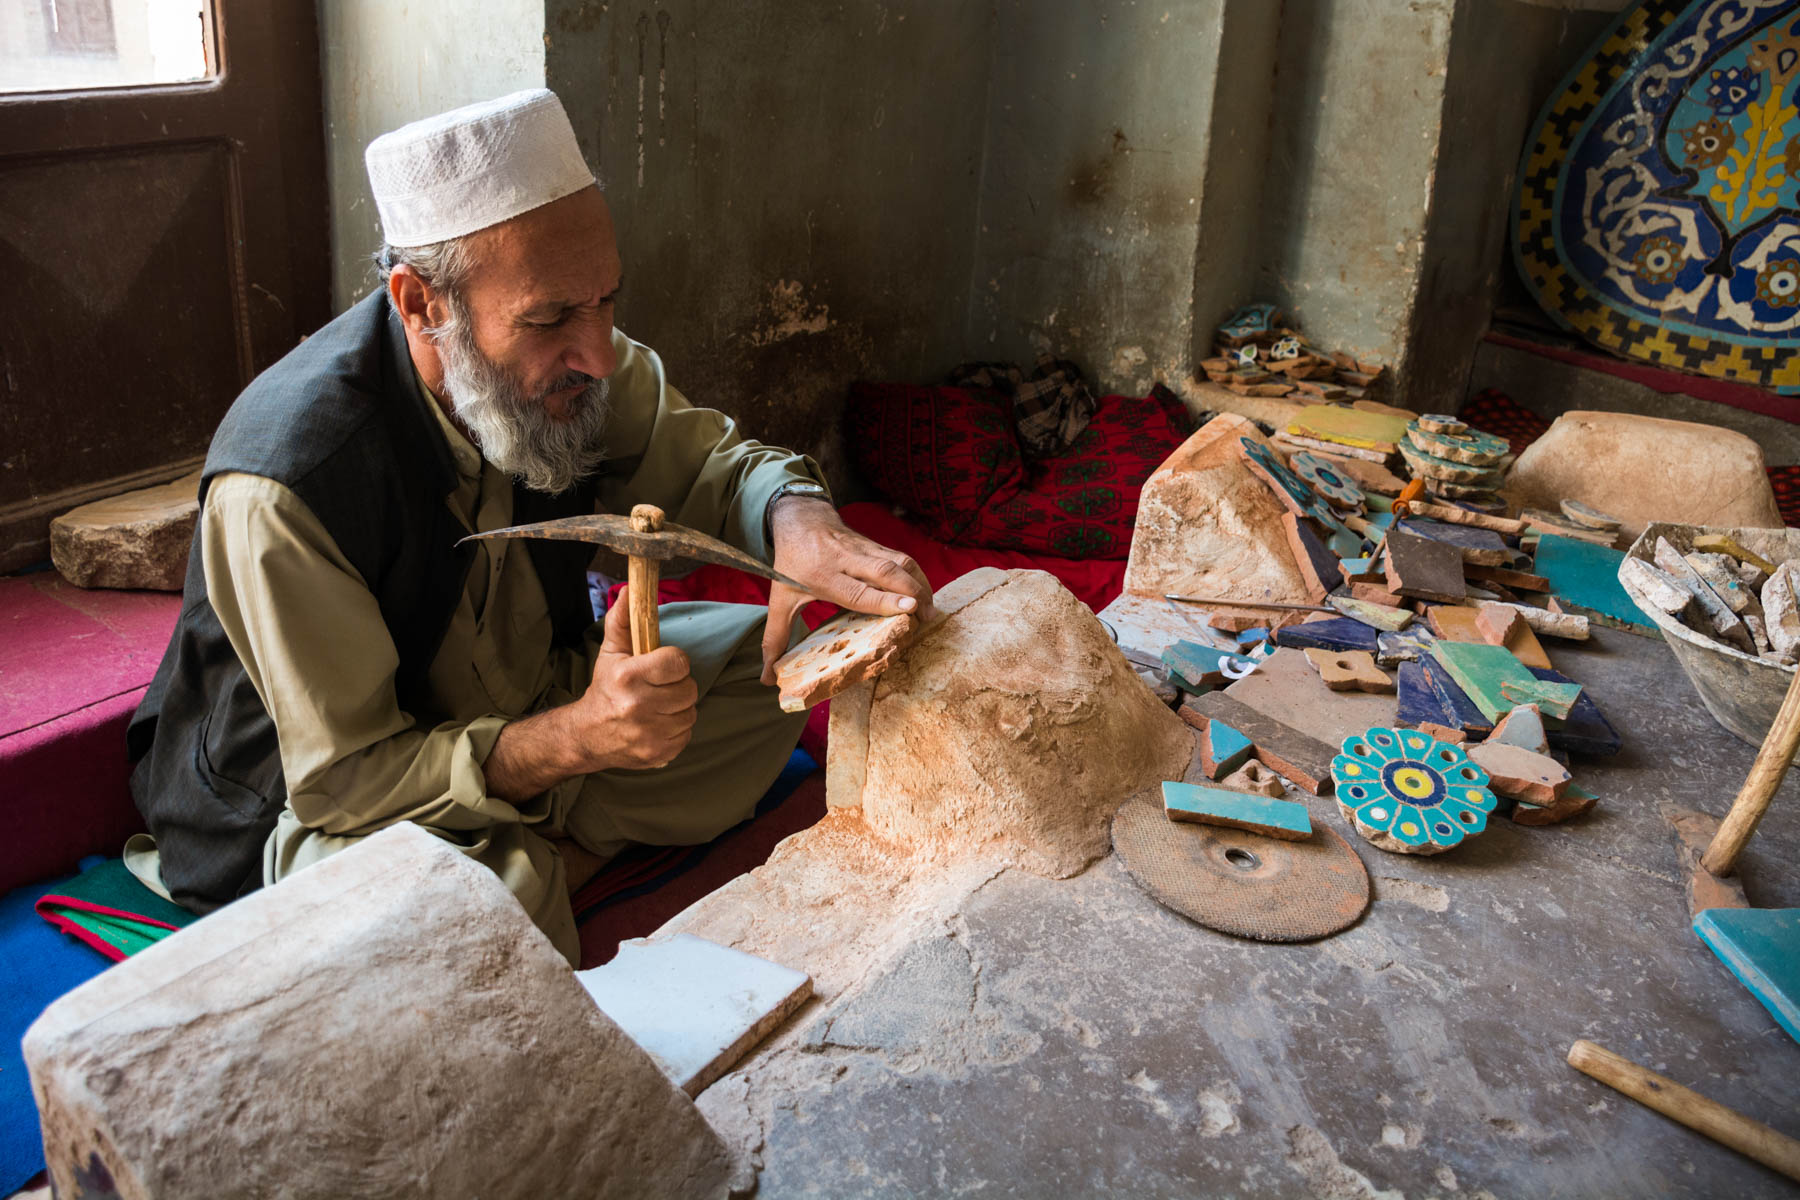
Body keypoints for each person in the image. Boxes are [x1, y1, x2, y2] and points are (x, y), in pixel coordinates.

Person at [124, 89, 931, 965]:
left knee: (765, 667)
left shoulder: (578, 364)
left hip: (527, 704)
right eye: (549, 319)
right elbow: (348, 780)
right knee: (480, 910)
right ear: (420, 304)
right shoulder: (289, 482)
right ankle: (541, 862)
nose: (595, 352)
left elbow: (716, 468)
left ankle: (546, 853)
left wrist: (799, 517)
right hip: (325, 804)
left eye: (605, 303)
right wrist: (579, 739)